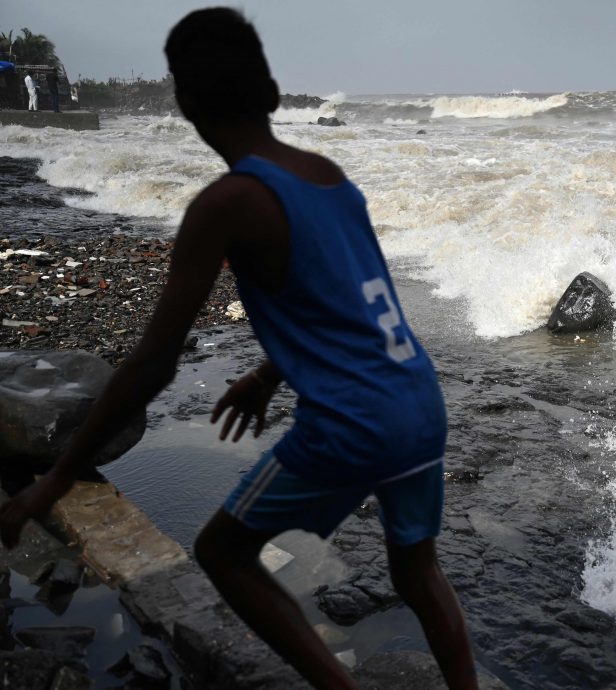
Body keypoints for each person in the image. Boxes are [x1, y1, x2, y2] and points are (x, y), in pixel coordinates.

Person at [0, 8, 478, 690]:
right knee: (416, 567)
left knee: (223, 553)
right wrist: (265, 373)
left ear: (187, 102)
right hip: (418, 400)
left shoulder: (227, 203)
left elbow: (154, 362)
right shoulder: (326, 174)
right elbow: (348, 308)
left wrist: (58, 474)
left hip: (353, 420)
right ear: (274, 93)